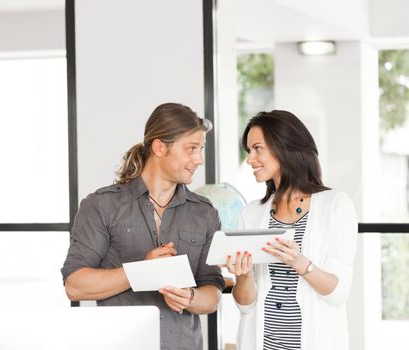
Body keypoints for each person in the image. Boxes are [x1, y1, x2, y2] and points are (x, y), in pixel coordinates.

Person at [61, 102, 225, 350]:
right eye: (191, 149)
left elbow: (211, 296)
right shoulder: (101, 206)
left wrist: (190, 297)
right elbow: (75, 286)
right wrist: (142, 272)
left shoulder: (204, 213)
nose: (199, 159)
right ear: (159, 147)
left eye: (200, 149)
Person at [226, 110, 358, 350]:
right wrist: (243, 274)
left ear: (283, 147)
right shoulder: (252, 213)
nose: (250, 159)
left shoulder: (336, 205)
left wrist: (301, 264)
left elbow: (338, 293)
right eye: (248, 151)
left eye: (257, 148)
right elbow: (245, 305)